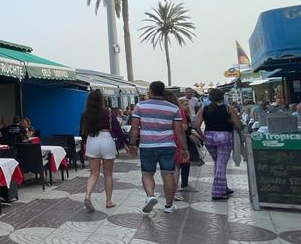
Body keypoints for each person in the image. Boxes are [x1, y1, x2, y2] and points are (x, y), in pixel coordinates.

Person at [128, 81, 189, 214]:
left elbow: (134, 128)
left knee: (147, 173)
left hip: (147, 145)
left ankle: (150, 195)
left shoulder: (140, 106)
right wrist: (185, 149)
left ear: (150, 91)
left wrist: (132, 144)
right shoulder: (173, 108)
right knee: (168, 175)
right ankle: (168, 206)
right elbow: (179, 131)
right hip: (168, 146)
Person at [79, 90, 130, 212]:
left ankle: (87, 196)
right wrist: (125, 144)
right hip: (107, 140)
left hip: (92, 140)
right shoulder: (108, 112)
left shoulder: (85, 114)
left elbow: (82, 132)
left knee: (93, 173)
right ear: (101, 99)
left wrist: (86, 142)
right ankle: (108, 201)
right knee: (108, 174)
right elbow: (117, 129)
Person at [194, 88, 243, 201]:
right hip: (224, 136)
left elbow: (196, 125)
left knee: (218, 163)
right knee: (221, 164)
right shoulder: (228, 108)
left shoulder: (204, 109)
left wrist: (203, 137)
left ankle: (224, 187)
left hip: (209, 137)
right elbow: (238, 126)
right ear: (222, 97)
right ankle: (218, 192)